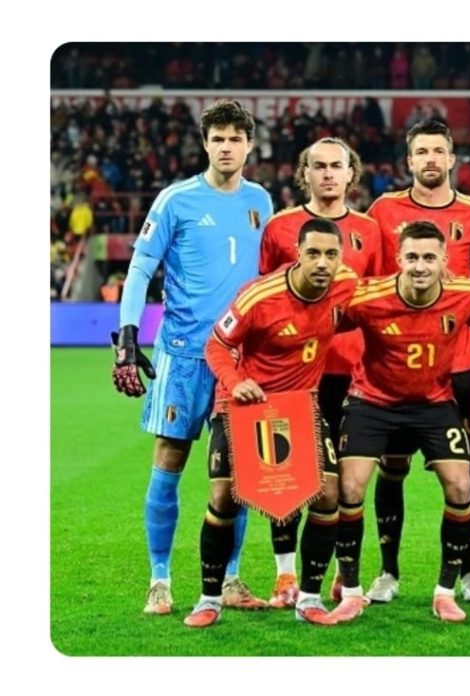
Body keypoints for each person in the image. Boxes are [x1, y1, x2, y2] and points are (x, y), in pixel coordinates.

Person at [111, 99, 273, 615]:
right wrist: (128, 336)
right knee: (170, 458)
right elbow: (141, 269)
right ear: (205, 144)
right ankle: (159, 579)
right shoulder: (175, 200)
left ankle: (231, 578)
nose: (226, 147)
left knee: (236, 474)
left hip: (239, 359)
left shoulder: (261, 201)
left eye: (235, 138)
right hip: (183, 353)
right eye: (217, 138)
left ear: (249, 145)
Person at [184, 218, 358, 627]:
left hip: (301, 406)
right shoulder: (259, 296)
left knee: (328, 495)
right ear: (297, 254)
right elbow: (217, 344)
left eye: (330, 254)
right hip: (245, 405)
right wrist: (236, 382)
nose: (322, 262)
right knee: (224, 497)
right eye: (313, 253)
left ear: (341, 257)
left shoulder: (347, 286)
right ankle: (209, 599)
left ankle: (309, 598)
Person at [361, 119, 470, 605]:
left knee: (462, 475)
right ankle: (388, 571)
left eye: (438, 151)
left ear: (451, 159)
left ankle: (469, 573)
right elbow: (373, 280)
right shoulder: (383, 210)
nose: (430, 160)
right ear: (409, 160)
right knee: (392, 468)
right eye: (421, 152)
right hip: (396, 365)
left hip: (459, 369)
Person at [330, 222, 470, 624]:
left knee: (461, 486)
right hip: (372, 402)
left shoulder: (468, 296)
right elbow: (320, 321)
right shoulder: (367, 298)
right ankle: (350, 591)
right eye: (412, 257)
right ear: (398, 259)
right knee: (349, 487)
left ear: (444, 261)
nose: (420, 266)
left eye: (429, 258)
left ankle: (445, 592)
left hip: (434, 403)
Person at [258, 137, 382, 609]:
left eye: (337, 166)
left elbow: (376, 299)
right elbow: (265, 297)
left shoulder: (370, 231)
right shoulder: (279, 228)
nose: (328, 174)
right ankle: (285, 575)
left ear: (352, 174)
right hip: (291, 375)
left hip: (353, 373)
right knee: (286, 475)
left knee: (347, 482)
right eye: (319, 166)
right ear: (303, 173)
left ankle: (345, 577)